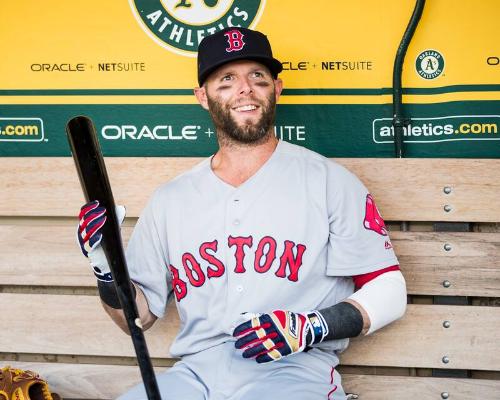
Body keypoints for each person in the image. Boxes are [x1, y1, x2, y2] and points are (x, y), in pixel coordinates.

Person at [77, 27, 407, 400]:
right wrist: (106, 270)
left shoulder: (331, 182)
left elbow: (390, 289)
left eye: (258, 77)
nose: (245, 89)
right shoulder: (171, 199)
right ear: (203, 97)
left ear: (277, 89)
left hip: (292, 370)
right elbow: (135, 318)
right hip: (195, 374)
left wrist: (311, 325)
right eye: (227, 79)